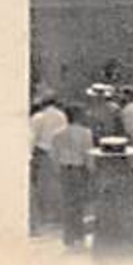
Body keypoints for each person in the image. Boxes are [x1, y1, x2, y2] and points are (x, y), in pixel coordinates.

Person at [50, 104, 95, 248]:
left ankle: (68, 236)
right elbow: (87, 153)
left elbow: (54, 155)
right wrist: (91, 170)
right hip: (79, 169)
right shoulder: (85, 133)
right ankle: (79, 236)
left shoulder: (57, 134)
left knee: (67, 203)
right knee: (79, 204)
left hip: (64, 169)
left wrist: (57, 170)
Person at [29, 90, 67, 234]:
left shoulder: (38, 117)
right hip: (59, 152)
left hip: (43, 152)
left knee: (43, 185)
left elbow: (32, 138)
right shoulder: (61, 116)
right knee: (56, 183)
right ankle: (57, 215)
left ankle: (46, 216)